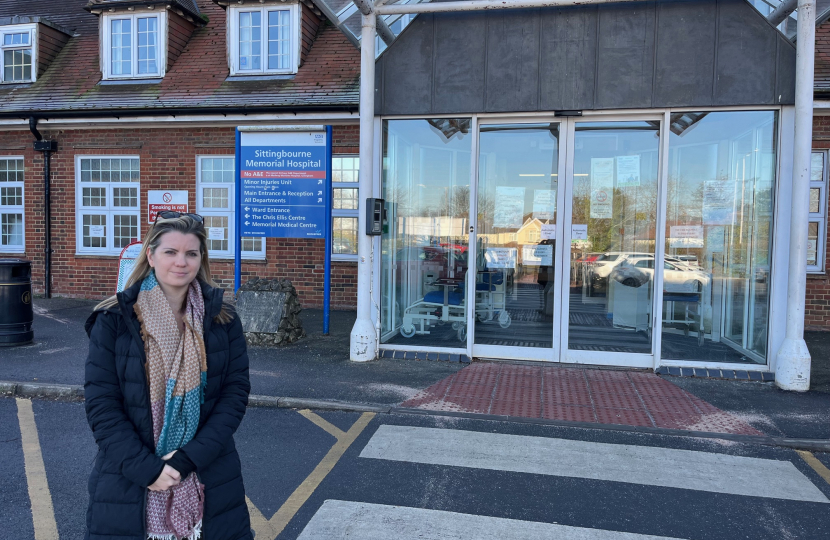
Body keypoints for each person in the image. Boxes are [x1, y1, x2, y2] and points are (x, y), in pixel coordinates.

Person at [83, 212, 252, 540]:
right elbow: (102, 407)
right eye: (170, 252)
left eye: (191, 253)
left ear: (201, 258)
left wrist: (186, 460)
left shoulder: (223, 319)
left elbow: (234, 396)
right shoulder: (114, 321)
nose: (181, 262)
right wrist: (147, 470)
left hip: (209, 473)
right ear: (150, 255)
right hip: (128, 483)